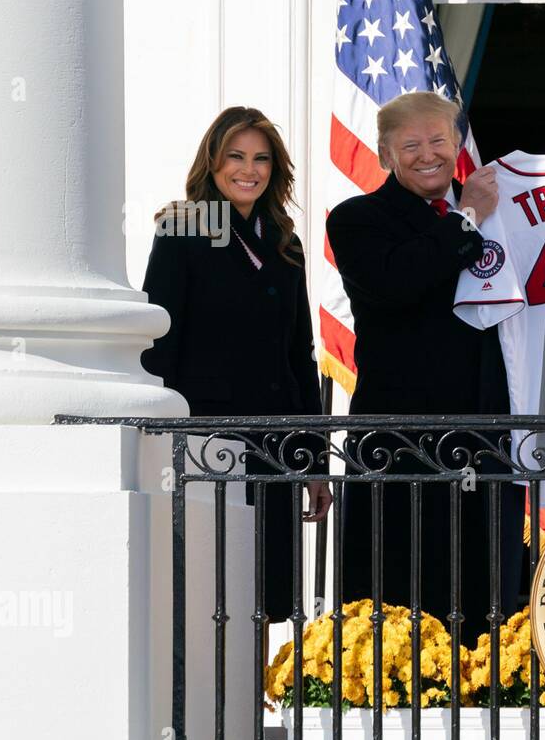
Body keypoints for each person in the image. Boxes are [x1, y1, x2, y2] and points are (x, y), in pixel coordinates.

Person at [326, 91, 522, 647]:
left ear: (457, 145)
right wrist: (468, 220)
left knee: (484, 600)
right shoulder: (356, 219)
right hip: (399, 440)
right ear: (386, 155)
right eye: (410, 144)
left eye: (438, 140)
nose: (427, 154)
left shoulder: (500, 212)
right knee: (394, 598)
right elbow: (396, 281)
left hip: (483, 436)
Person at [141, 106, 331, 623]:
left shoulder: (284, 240)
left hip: (276, 440)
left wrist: (314, 461)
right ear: (213, 162)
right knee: (210, 590)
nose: (249, 169)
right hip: (208, 441)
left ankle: (252, 704)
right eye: (236, 156)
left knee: (267, 597)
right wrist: (164, 443)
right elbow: (160, 346)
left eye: (261, 159)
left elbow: (300, 353)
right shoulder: (182, 229)